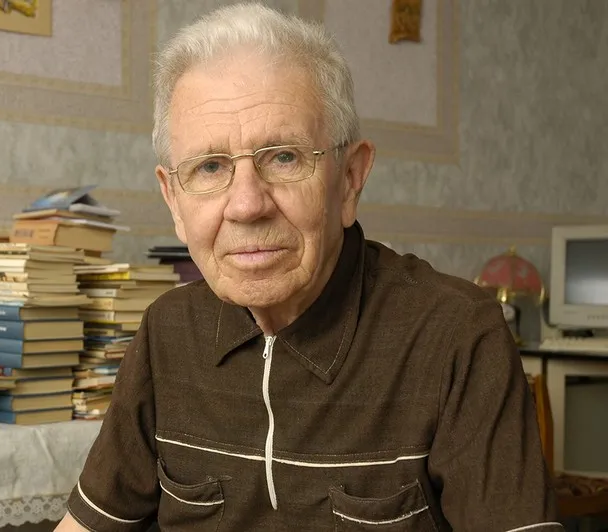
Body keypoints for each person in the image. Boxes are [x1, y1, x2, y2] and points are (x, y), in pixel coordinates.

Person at [56, 3, 559, 531]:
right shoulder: (167, 331)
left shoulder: (457, 336)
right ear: (174, 201)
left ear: (350, 179)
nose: (246, 205)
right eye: (210, 167)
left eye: (284, 157)